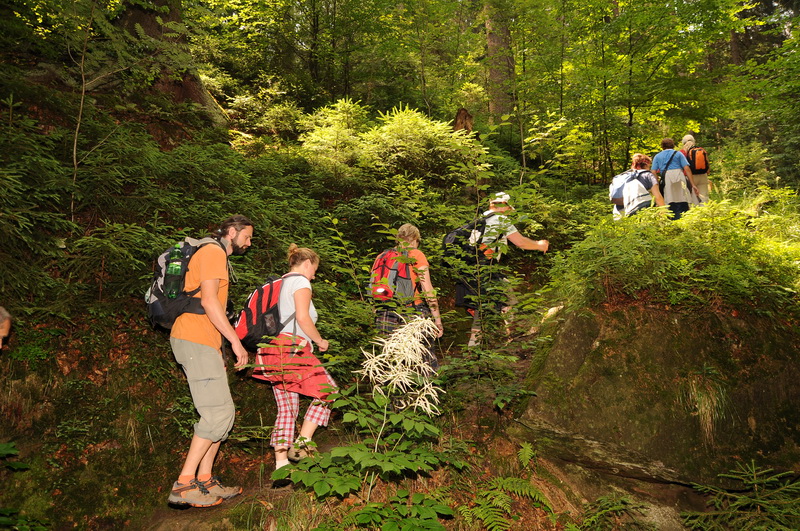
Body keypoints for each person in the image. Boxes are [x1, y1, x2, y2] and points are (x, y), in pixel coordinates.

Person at [167, 215, 253, 508]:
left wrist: (219, 347)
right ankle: (184, 484)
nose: (249, 243)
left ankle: (205, 479)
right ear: (232, 232)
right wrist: (235, 341)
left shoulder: (213, 254)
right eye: (247, 237)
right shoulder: (214, 251)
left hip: (203, 342)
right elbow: (208, 301)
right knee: (217, 415)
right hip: (194, 340)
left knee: (224, 414)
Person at [252, 244, 337, 486]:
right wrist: (320, 340)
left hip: (271, 349)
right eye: (315, 270)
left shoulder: (277, 284)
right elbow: (302, 317)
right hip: (292, 348)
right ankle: (302, 444)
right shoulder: (301, 282)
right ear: (308, 263)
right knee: (329, 392)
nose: (314, 275)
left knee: (287, 408)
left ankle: (281, 468)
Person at [461, 192, 549, 347]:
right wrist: (539, 245)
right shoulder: (500, 220)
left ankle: (506, 336)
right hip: (486, 271)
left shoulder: (479, 220)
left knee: (505, 300)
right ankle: (476, 352)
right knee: (483, 314)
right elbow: (521, 242)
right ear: (504, 206)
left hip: (470, 271)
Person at [373, 224, 444, 368]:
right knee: (424, 359)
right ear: (416, 239)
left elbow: (375, 286)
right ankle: (426, 386)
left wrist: (375, 310)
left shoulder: (382, 256)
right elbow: (427, 289)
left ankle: (391, 390)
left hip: (385, 312)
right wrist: (437, 320)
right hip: (413, 312)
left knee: (390, 359)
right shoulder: (416, 254)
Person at [651, 138, 699, 220]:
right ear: (673, 145)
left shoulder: (658, 156)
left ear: (662, 146)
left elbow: (653, 171)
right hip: (679, 175)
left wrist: (657, 184)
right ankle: (684, 216)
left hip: (666, 177)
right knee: (683, 196)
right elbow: (687, 169)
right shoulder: (678, 154)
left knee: (669, 197)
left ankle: (672, 217)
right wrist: (693, 184)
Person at [680, 134, 711, 204]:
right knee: (704, 196)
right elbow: (707, 164)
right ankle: (704, 211)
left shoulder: (682, 152)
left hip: (690, 177)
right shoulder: (701, 150)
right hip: (703, 175)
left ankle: (694, 211)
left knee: (691, 196)